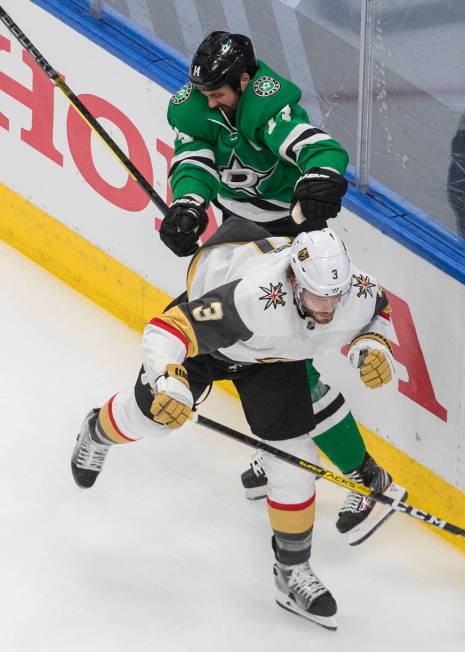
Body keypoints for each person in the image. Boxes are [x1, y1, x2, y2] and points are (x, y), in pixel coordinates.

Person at [71, 220, 406, 630]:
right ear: (294, 282)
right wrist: (169, 379)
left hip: (273, 360)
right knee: (150, 419)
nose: (328, 309)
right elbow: (170, 327)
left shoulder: (357, 289)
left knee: (295, 460)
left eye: (335, 296)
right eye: (318, 296)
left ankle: (291, 571)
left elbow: (378, 312)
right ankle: (96, 431)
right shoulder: (253, 298)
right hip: (212, 345)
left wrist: (371, 343)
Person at [159, 31, 404, 544]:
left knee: (289, 361)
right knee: (274, 357)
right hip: (239, 229)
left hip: (287, 236)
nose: (208, 100)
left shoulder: (268, 103)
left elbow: (317, 147)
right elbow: (195, 160)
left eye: (218, 93)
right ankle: (284, 448)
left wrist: (320, 178)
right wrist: (188, 205)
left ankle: (371, 479)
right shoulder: (196, 105)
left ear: (243, 80)